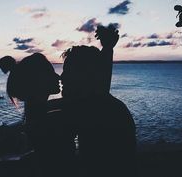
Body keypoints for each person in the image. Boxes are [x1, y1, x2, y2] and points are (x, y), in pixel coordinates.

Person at [60, 24, 136, 177]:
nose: (62, 77)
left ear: (84, 75)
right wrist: (108, 48)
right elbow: (101, 81)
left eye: (68, 71)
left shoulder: (96, 109)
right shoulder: (102, 104)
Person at [2, 53, 76, 177]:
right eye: (51, 72)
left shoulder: (36, 112)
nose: (58, 77)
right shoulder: (52, 119)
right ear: (38, 80)